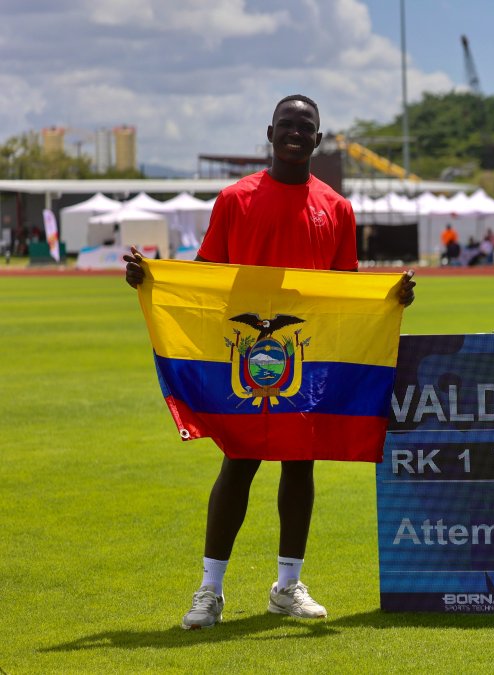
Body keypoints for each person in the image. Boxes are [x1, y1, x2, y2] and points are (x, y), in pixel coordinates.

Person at [123, 94, 416, 630]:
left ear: (318, 140)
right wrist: (154, 279)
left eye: (306, 127)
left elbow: (342, 294)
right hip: (243, 358)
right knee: (239, 460)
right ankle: (210, 590)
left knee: (300, 462)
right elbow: (205, 277)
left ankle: (287, 585)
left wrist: (391, 299)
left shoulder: (337, 207)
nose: (295, 133)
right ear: (270, 132)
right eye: (287, 125)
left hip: (303, 360)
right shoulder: (235, 200)